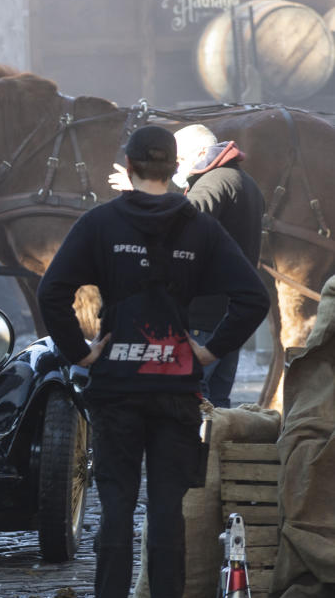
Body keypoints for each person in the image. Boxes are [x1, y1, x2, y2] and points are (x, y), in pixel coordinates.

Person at [39, 125, 269, 598]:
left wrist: (81, 352)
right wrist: (208, 351)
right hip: (176, 391)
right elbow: (252, 298)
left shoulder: (100, 223)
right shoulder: (199, 227)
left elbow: (52, 291)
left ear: (129, 163)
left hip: (116, 389)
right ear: (175, 167)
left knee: (116, 508)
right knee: (167, 511)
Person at [107, 123, 265, 407]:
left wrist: (139, 191)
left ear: (203, 152)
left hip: (204, 315)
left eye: (179, 160)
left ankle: (191, 452)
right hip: (230, 312)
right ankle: (209, 453)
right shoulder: (245, 182)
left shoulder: (214, 182)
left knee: (190, 396)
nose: (174, 167)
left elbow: (184, 223)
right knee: (217, 403)